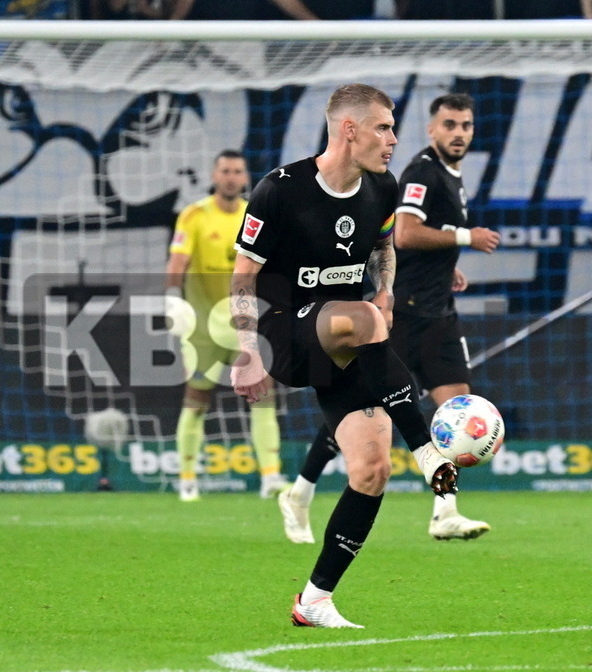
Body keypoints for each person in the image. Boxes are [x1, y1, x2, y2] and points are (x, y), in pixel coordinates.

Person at [230, 83, 457, 628]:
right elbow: (243, 276)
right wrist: (247, 351)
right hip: (285, 333)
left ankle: (314, 600)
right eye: (384, 127)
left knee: (372, 469)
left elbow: (383, 246)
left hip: (346, 340)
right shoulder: (279, 190)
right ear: (349, 130)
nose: (394, 139)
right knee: (363, 319)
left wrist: (386, 289)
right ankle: (427, 451)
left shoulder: (382, 187)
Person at [277, 93, 500, 544]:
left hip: (439, 313)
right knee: (365, 405)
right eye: (450, 124)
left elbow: (418, 240)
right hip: (403, 313)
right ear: (432, 129)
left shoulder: (451, 176)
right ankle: (300, 491)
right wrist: (465, 237)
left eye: (466, 125)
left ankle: (445, 510)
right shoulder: (420, 172)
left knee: (456, 407)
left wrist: (446, 264)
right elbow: (406, 233)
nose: (459, 133)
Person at [165, 150, 288, 502]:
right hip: (203, 327)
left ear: (245, 177)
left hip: (245, 324)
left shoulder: (256, 215)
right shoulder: (195, 215)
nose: (231, 177)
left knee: (262, 394)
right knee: (197, 399)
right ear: (214, 176)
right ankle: (187, 479)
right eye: (225, 171)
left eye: (237, 171)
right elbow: (177, 262)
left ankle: (270, 477)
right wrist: (172, 298)